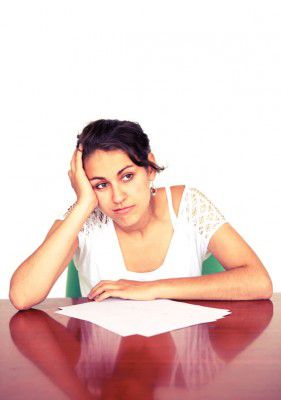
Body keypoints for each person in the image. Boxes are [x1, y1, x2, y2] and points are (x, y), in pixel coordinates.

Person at [9, 119, 273, 310]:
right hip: (105, 370)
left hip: (179, 366)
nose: (117, 197)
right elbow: (22, 297)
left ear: (149, 169)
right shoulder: (85, 215)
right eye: (101, 184)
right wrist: (83, 204)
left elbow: (258, 281)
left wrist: (151, 288)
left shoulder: (186, 204)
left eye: (127, 176)